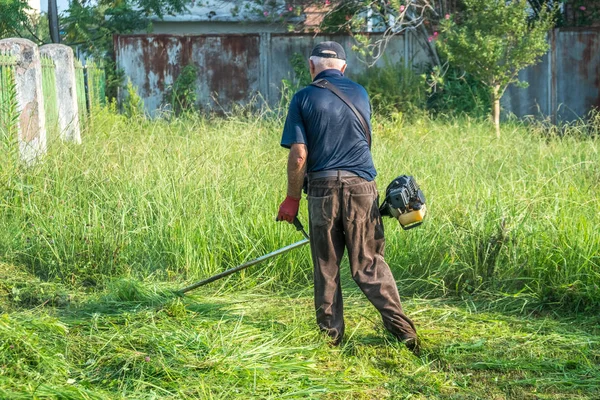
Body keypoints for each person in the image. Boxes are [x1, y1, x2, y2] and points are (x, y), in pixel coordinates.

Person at [276, 41, 419, 353]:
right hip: (362, 187)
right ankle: (403, 331)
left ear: (311, 67)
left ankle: (331, 339)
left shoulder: (302, 97)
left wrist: (291, 199)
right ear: (343, 67)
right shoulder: (360, 93)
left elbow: (299, 155)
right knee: (368, 263)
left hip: (322, 189)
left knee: (326, 264)